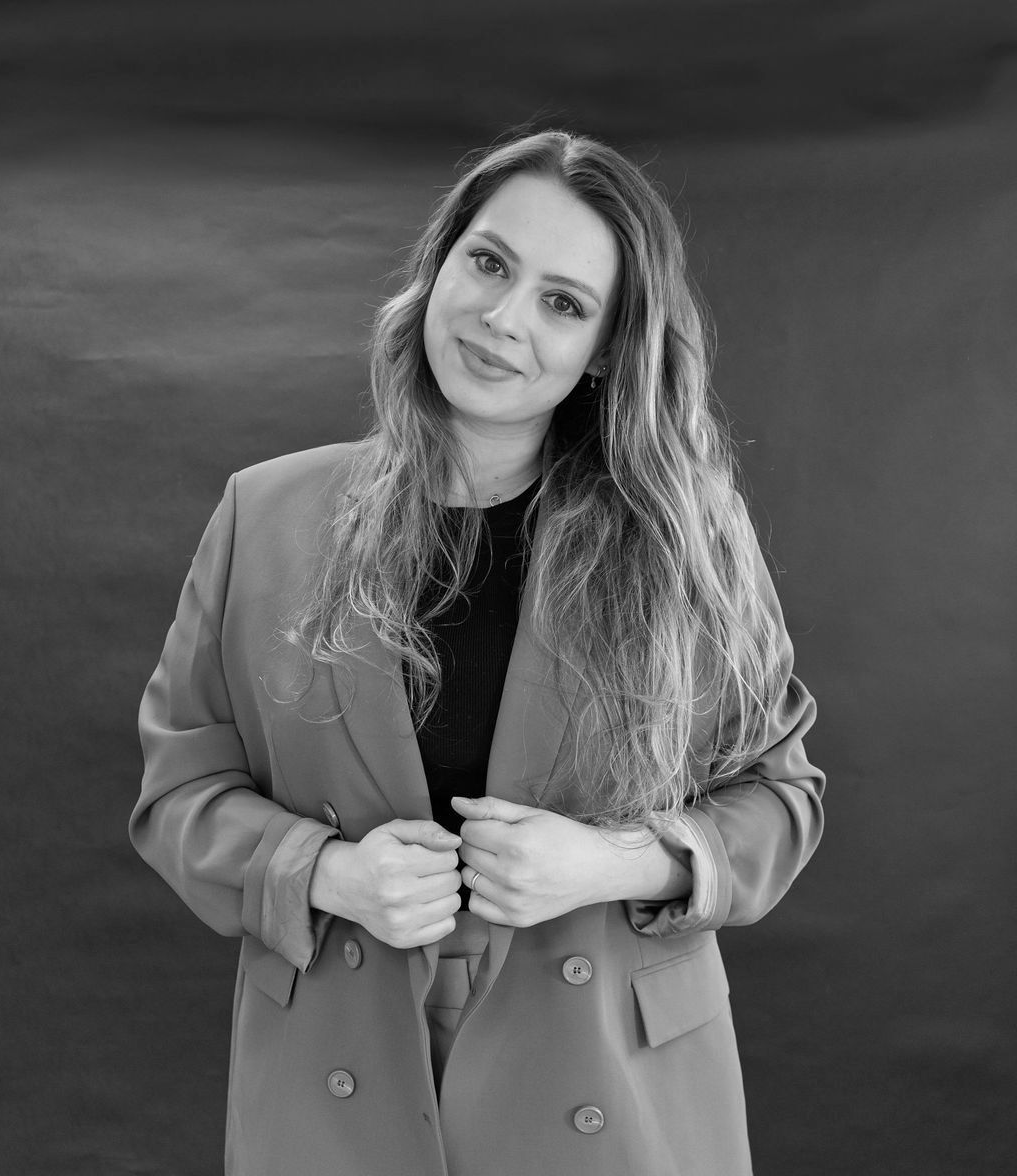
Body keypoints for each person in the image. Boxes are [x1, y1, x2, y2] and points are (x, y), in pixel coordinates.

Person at [132, 130, 824, 1176]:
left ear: (605, 351)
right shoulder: (263, 513)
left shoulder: (685, 536)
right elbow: (177, 796)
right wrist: (323, 874)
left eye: (563, 302)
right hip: (338, 1063)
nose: (503, 321)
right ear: (439, 266)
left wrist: (612, 861)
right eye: (489, 263)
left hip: (605, 1080)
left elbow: (782, 796)